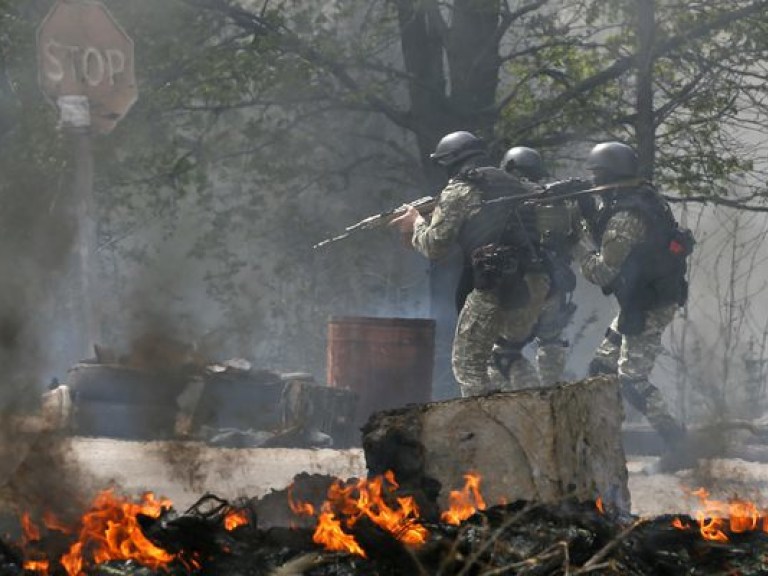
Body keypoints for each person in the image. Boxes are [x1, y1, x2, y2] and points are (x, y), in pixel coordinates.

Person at [389, 131, 551, 396]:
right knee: (505, 356)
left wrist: (415, 222)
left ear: (452, 161)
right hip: (532, 283)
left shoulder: (460, 189)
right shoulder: (513, 182)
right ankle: (533, 417)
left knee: (468, 367)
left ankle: (482, 430)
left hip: (495, 284)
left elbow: (434, 246)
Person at [573, 141, 693, 461]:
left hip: (649, 304)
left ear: (607, 175)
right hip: (644, 298)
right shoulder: (641, 198)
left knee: (632, 381)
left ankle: (679, 444)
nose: (594, 184)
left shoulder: (626, 215)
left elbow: (602, 272)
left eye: (596, 176)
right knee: (601, 366)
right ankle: (597, 438)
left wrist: (577, 238)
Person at [495, 146, 580, 386]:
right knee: (551, 340)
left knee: (504, 351)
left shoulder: (508, 200)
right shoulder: (557, 200)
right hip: (556, 280)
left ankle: (526, 399)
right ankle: (551, 393)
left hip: (523, 284)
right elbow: (573, 238)